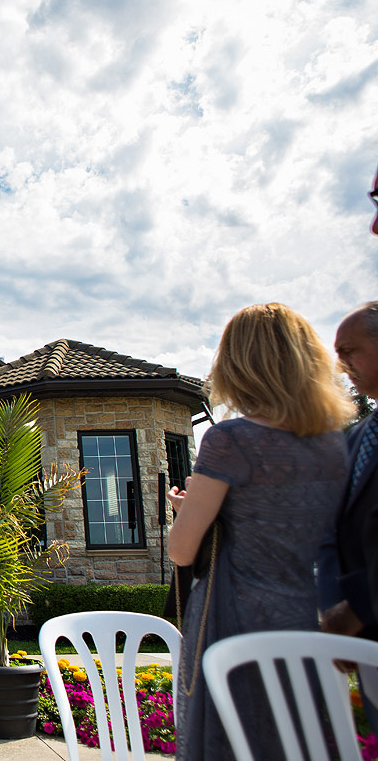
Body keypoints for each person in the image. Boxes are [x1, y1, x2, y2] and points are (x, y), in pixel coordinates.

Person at [168, 302, 352, 761]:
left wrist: (185, 510)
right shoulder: (337, 444)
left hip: (234, 617)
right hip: (303, 614)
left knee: (234, 743)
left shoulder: (230, 440)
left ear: (238, 364)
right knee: (295, 739)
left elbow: (181, 549)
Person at [322, 305, 378, 646]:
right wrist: (333, 608)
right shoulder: (356, 438)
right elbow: (334, 531)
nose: (341, 366)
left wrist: (357, 608)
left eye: (349, 351)